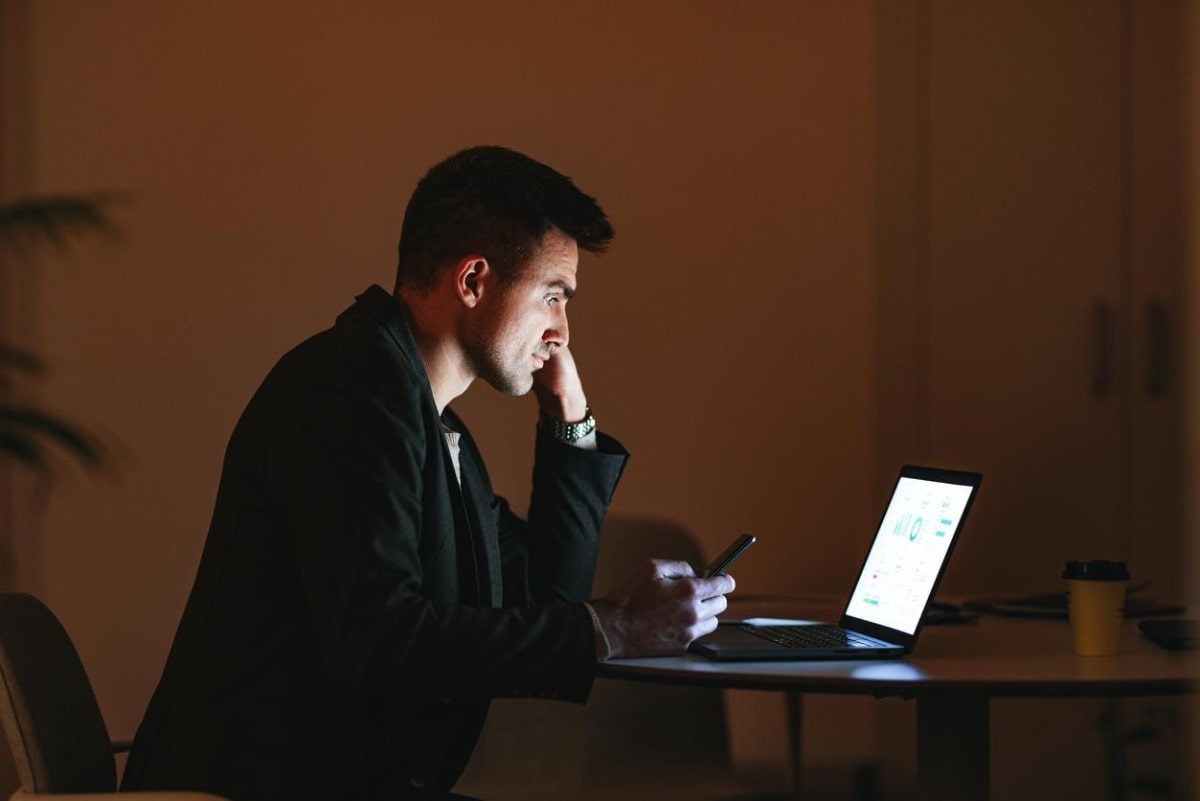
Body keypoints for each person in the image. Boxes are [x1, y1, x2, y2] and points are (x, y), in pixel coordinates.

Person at [122, 145, 735, 801]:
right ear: (473, 281)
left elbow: (548, 598)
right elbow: (380, 638)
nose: (561, 329)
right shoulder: (347, 394)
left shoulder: (432, 424)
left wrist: (570, 417)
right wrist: (609, 626)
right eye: (554, 296)